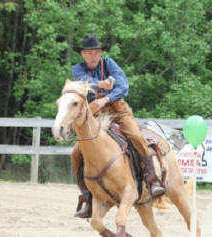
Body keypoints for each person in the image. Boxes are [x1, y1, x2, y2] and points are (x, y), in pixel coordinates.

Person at [71, 34, 165, 218]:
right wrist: (101, 84)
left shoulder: (110, 64)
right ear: (82, 54)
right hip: (95, 116)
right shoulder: (77, 69)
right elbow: (82, 83)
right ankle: (87, 195)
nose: (93, 56)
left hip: (117, 110)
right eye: (89, 53)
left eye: (96, 52)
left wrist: (105, 97)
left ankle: (152, 179)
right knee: (75, 153)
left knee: (136, 137)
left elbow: (123, 86)